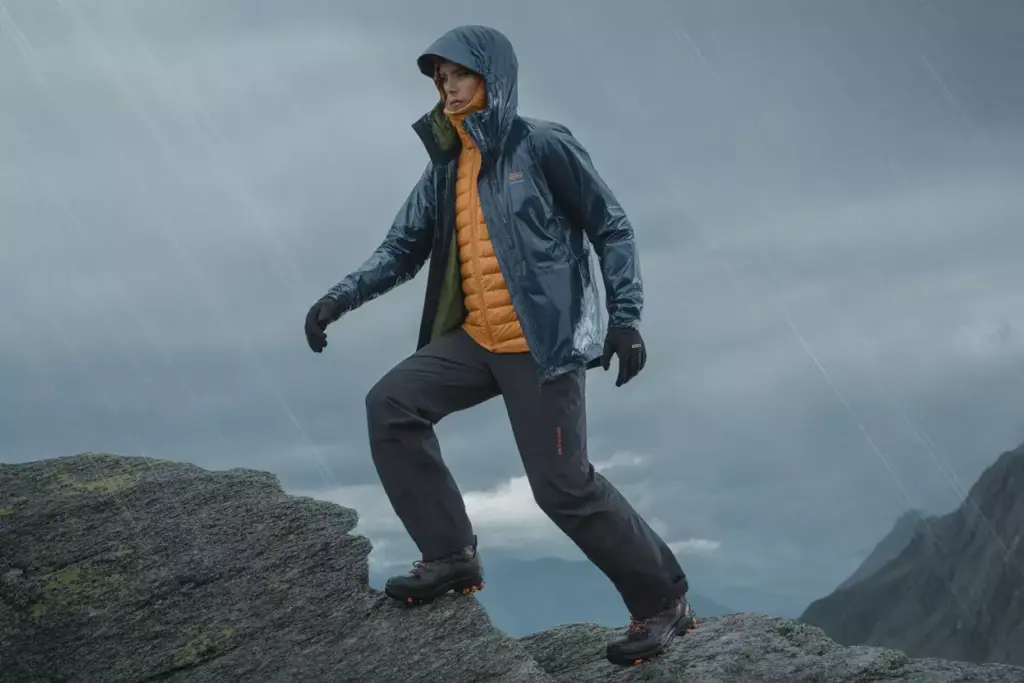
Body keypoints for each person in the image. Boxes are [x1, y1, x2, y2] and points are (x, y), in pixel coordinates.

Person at [303, 24, 695, 666]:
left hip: (543, 348)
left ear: (492, 75)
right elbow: (402, 248)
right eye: (440, 79)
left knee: (562, 486)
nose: (447, 88)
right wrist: (337, 298)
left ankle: (663, 602)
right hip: (477, 340)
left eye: (458, 74)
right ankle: (452, 555)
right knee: (392, 405)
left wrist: (626, 317)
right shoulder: (446, 164)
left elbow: (611, 224)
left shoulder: (541, 145)